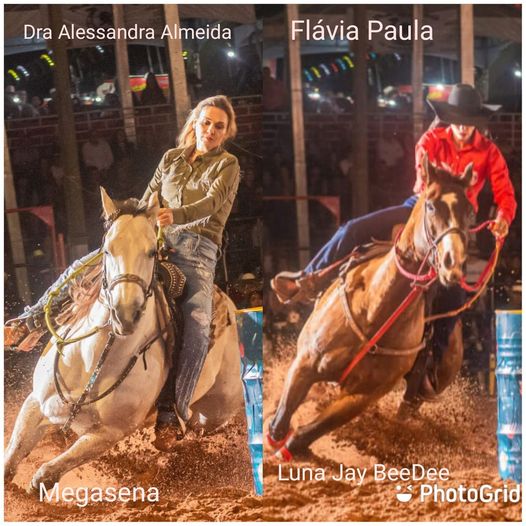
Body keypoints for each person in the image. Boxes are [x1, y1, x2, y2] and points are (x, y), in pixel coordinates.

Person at [6, 95, 241, 451]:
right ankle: (31, 320)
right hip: (156, 243)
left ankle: (170, 409)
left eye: (218, 126)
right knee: (82, 266)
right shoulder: (171, 159)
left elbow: (211, 205)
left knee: (197, 320)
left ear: (226, 133)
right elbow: (149, 197)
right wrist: (135, 219)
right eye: (206, 122)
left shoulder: (228, 165)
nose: (210, 130)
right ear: (194, 123)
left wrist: (172, 216)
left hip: (197, 252)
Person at [272, 84, 516, 398]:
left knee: (452, 298)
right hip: (421, 210)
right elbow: (424, 181)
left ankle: (429, 365)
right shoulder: (431, 140)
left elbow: (505, 192)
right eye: (459, 119)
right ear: (449, 118)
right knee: (351, 230)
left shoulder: (488, 151)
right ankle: (308, 279)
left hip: (453, 227)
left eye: (469, 120)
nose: (463, 126)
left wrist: (503, 218)